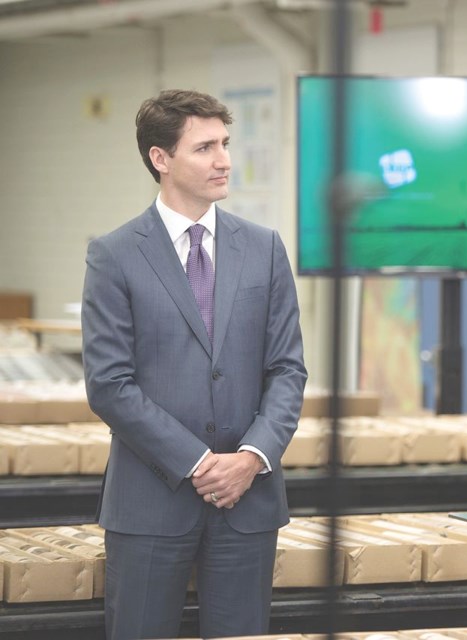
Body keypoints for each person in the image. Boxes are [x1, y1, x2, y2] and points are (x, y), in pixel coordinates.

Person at [81, 89, 307, 639]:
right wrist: (201, 463)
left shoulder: (264, 248)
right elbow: (109, 384)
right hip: (151, 502)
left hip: (248, 501)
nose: (224, 159)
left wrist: (250, 458)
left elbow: (287, 369)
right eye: (205, 147)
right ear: (161, 159)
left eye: (225, 144)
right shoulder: (114, 255)